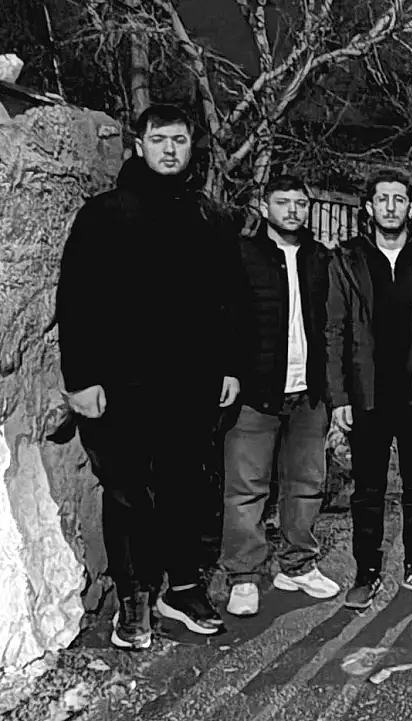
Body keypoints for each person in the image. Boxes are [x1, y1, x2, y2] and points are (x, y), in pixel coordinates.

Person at [56, 104, 240, 649]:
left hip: (190, 382)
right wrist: (81, 378)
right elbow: (77, 298)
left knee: (185, 488)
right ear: (139, 145)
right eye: (158, 139)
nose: (169, 150)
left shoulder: (208, 217)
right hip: (122, 383)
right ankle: (134, 595)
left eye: (178, 140)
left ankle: (181, 588)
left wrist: (230, 366)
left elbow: (229, 299)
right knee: (129, 492)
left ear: (190, 147)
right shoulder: (105, 213)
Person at [326, 168, 412, 609]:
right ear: (369, 206)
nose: (390, 207)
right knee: (368, 490)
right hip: (367, 393)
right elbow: (334, 331)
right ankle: (366, 573)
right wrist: (339, 397)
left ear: (411, 207)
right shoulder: (347, 259)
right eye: (382, 199)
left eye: (398, 199)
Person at [221, 174, 340, 617]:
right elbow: (225, 318)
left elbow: (334, 324)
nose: (292, 210)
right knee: (245, 489)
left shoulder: (321, 258)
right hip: (255, 391)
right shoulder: (242, 254)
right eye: (283, 201)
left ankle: (298, 564)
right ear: (264, 205)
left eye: (300, 203)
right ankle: (244, 575)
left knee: (306, 484)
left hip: (309, 391)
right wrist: (229, 372)